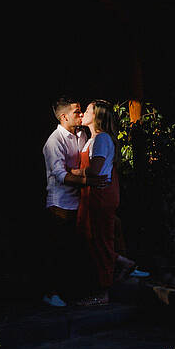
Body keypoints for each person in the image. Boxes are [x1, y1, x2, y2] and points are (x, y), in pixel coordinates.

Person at [41, 97, 88, 308]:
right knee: (58, 249)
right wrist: (87, 180)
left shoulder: (82, 134)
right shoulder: (54, 141)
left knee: (74, 249)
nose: (81, 114)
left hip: (79, 200)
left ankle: (71, 291)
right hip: (60, 203)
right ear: (64, 117)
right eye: (77, 112)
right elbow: (59, 175)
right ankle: (51, 293)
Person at [77, 99, 122, 306]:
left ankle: (103, 291)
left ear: (96, 115)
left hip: (100, 194)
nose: (83, 113)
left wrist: (73, 172)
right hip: (93, 192)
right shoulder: (92, 139)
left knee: (101, 240)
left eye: (87, 110)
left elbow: (95, 170)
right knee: (93, 238)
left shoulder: (102, 139)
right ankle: (121, 264)